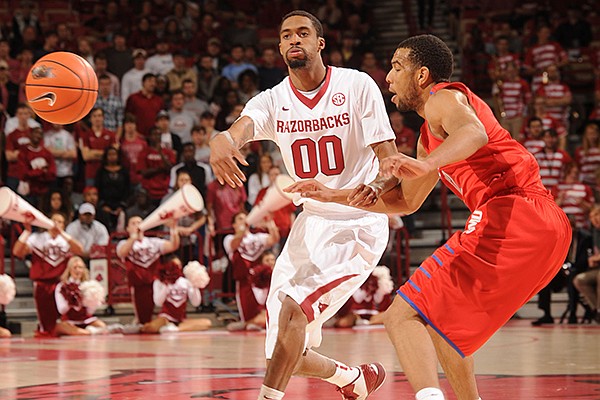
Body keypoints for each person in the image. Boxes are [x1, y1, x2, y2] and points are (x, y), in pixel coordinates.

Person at [285, 34, 572, 400]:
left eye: (396, 67)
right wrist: (333, 195)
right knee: (445, 329)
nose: (387, 77)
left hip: (514, 212)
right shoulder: (427, 136)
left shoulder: (444, 98)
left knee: (400, 316)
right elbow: (406, 202)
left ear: (421, 76)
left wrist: (427, 164)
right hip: (546, 229)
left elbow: (474, 132)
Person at [209, 11, 398, 400]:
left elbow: (390, 161)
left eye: (303, 33)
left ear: (319, 43)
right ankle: (353, 379)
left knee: (294, 312)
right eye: (286, 35)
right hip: (309, 225)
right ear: (279, 47)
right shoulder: (273, 100)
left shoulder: (356, 85)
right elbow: (242, 127)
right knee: (285, 352)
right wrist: (222, 140)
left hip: (357, 223)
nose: (294, 40)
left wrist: (375, 188)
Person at [13, 212, 84, 337]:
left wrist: (62, 233)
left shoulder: (65, 240)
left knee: (63, 318)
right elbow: (17, 252)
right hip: (42, 284)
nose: (56, 224)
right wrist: (27, 232)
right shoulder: (38, 238)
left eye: (60, 221)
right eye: (54, 221)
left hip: (61, 285)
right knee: (47, 324)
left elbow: (80, 250)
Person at [116, 215, 180, 325]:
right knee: (143, 319)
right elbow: (122, 252)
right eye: (133, 223)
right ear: (127, 228)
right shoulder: (124, 243)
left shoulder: (154, 242)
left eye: (139, 222)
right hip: (139, 286)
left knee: (161, 315)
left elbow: (173, 246)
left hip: (156, 283)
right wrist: (133, 237)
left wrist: (173, 228)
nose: (137, 225)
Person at [224, 213, 279, 331]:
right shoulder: (228, 238)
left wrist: (270, 223)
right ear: (234, 224)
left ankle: (247, 324)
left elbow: (274, 239)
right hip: (244, 282)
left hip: (261, 282)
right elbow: (234, 245)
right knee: (250, 315)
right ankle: (250, 323)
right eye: (240, 219)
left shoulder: (257, 237)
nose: (244, 221)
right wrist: (242, 228)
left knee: (268, 313)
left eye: (245, 218)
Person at [140, 257, 212, 333]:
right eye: (173, 266)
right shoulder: (159, 282)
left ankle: (175, 329)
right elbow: (158, 303)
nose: (176, 268)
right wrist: (165, 284)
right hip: (165, 319)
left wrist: (194, 286)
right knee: (150, 328)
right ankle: (140, 326)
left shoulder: (185, 282)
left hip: (181, 320)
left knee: (207, 323)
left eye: (179, 266)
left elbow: (196, 303)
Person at [54, 256, 108, 336]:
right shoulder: (62, 286)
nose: (78, 270)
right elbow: (61, 310)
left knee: (102, 326)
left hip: (85, 320)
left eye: (80, 267)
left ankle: (86, 331)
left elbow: (90, 312)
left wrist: (91, 300)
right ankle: (88, 332)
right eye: (75, 267)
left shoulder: (88, 285)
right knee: (60, 327)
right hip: (69, 321)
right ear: (69, 269)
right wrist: (71, 301)